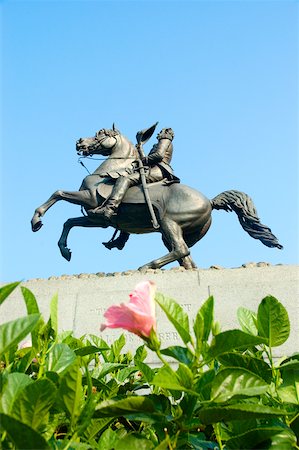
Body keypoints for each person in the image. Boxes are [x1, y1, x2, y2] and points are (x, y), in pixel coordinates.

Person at [97, 127, 179, 250]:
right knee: (131, 195)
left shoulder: (165, 140)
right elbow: (148, 159)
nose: (159, 133)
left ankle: (109, 208)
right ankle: (121, 238)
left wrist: (143, 160)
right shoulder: (158, 142)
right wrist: (140, 148)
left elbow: (158, 155)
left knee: (125, 179)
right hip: (151, 169)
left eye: (161, 132)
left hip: (159, 170)